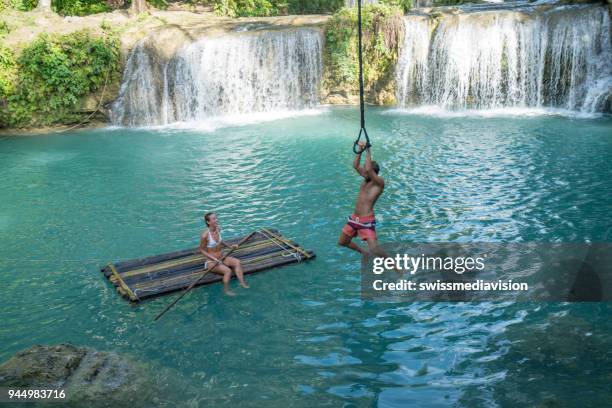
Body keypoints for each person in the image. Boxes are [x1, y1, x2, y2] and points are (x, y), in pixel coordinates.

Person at [338, 141, 389, 261]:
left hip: (366, 221)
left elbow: (369, 170)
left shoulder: (379, 183)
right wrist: (360, 149)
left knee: (375, 249)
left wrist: (368, 150)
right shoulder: (366, 178)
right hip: (354, 218)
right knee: (342, 242)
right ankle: (364, 253)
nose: (363, 172)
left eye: (366, 171)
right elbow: (355, 166)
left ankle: (397, 269)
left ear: (373, 173)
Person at [199, 212, 249, 296]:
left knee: (237, 262)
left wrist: (230, 247)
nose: (216, 220)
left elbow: (220, 242)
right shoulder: (205, 235)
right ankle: (226, 290)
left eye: (216, 218)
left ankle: (242, 283)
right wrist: (214, 259)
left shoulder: (218, 229)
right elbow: (201, 250)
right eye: (214, 219)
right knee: (228, 271)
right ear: (208, 222)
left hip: (222, 257)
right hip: (212, 262)